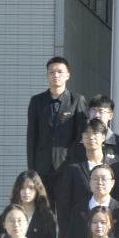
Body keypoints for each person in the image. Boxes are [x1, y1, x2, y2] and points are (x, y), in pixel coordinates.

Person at [26, 57, 87, 196]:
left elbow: (82, 136)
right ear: (47, 75)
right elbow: (31, 136)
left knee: (66, 206)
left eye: (60, 71)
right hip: (42, 167)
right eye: (51, 72)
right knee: (44, 206)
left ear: (68, 75)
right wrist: (32, 169)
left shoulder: (77, 100)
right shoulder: (37, 101)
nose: (56, 75)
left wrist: (79, 163)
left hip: (68, 165)